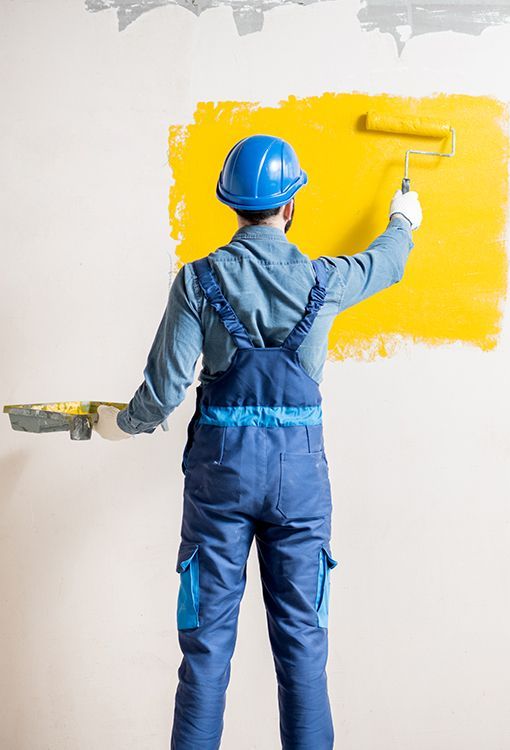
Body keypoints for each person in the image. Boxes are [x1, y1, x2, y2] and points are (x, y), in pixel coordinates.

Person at [93, 134, 422, 749]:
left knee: (207, 653)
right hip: (299, 480)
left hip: (220, 479)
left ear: (232, 204)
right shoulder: (327, 280)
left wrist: (122, 425)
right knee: (302, 650)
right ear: (290, 206)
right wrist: (403, 219)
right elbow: (390, 261)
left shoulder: (197, 281)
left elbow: (163, 392)